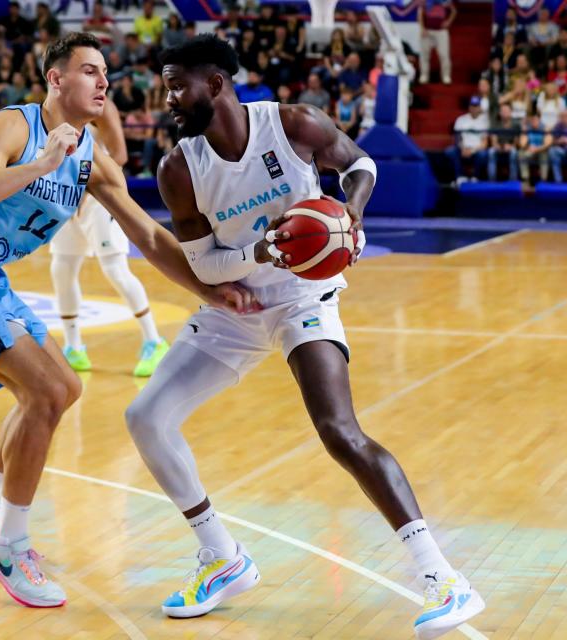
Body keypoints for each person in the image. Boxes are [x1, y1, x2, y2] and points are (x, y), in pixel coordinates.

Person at [125, 34, 485, 638]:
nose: (167, 95)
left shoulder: (293, 125)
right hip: (234, 310)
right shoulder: (178, 168)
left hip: (302, 298)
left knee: (339, 432)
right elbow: (207, 267)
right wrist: (258, 250)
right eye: (165, 82)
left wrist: (352, 213)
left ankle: (444, 578)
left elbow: (360, 164)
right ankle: (223, 558)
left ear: (215, 84)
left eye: (177, 83)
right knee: (146, 416)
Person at [0, 33, 250, 609]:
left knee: (62, 390)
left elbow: (146, 234)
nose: (102, 81)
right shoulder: (13, 126)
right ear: (56, 80)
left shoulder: (93, 157)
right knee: (45, 393)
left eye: (105, 73)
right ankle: (6, 544)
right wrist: (43, 163)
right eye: (89, 70)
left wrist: (207, 289)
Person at [49, 99, 169, 376]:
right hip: (65, 198)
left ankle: (154, 341)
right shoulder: (48, 109)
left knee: (115, 269)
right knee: (62, 269)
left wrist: (87, 184)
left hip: (98, 196)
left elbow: (119, 156)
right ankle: (73, 347)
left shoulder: (101, 106)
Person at [418, 0, 456, 84]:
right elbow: (420, 13)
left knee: (444, 54)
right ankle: (424, 75)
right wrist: (422, 28)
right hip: (427, 31)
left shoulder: (445, 1)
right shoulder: (426, 1)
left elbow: (454, 11)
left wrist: (449, 22)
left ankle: (446, 76)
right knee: (424, 55)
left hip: (441, 31)